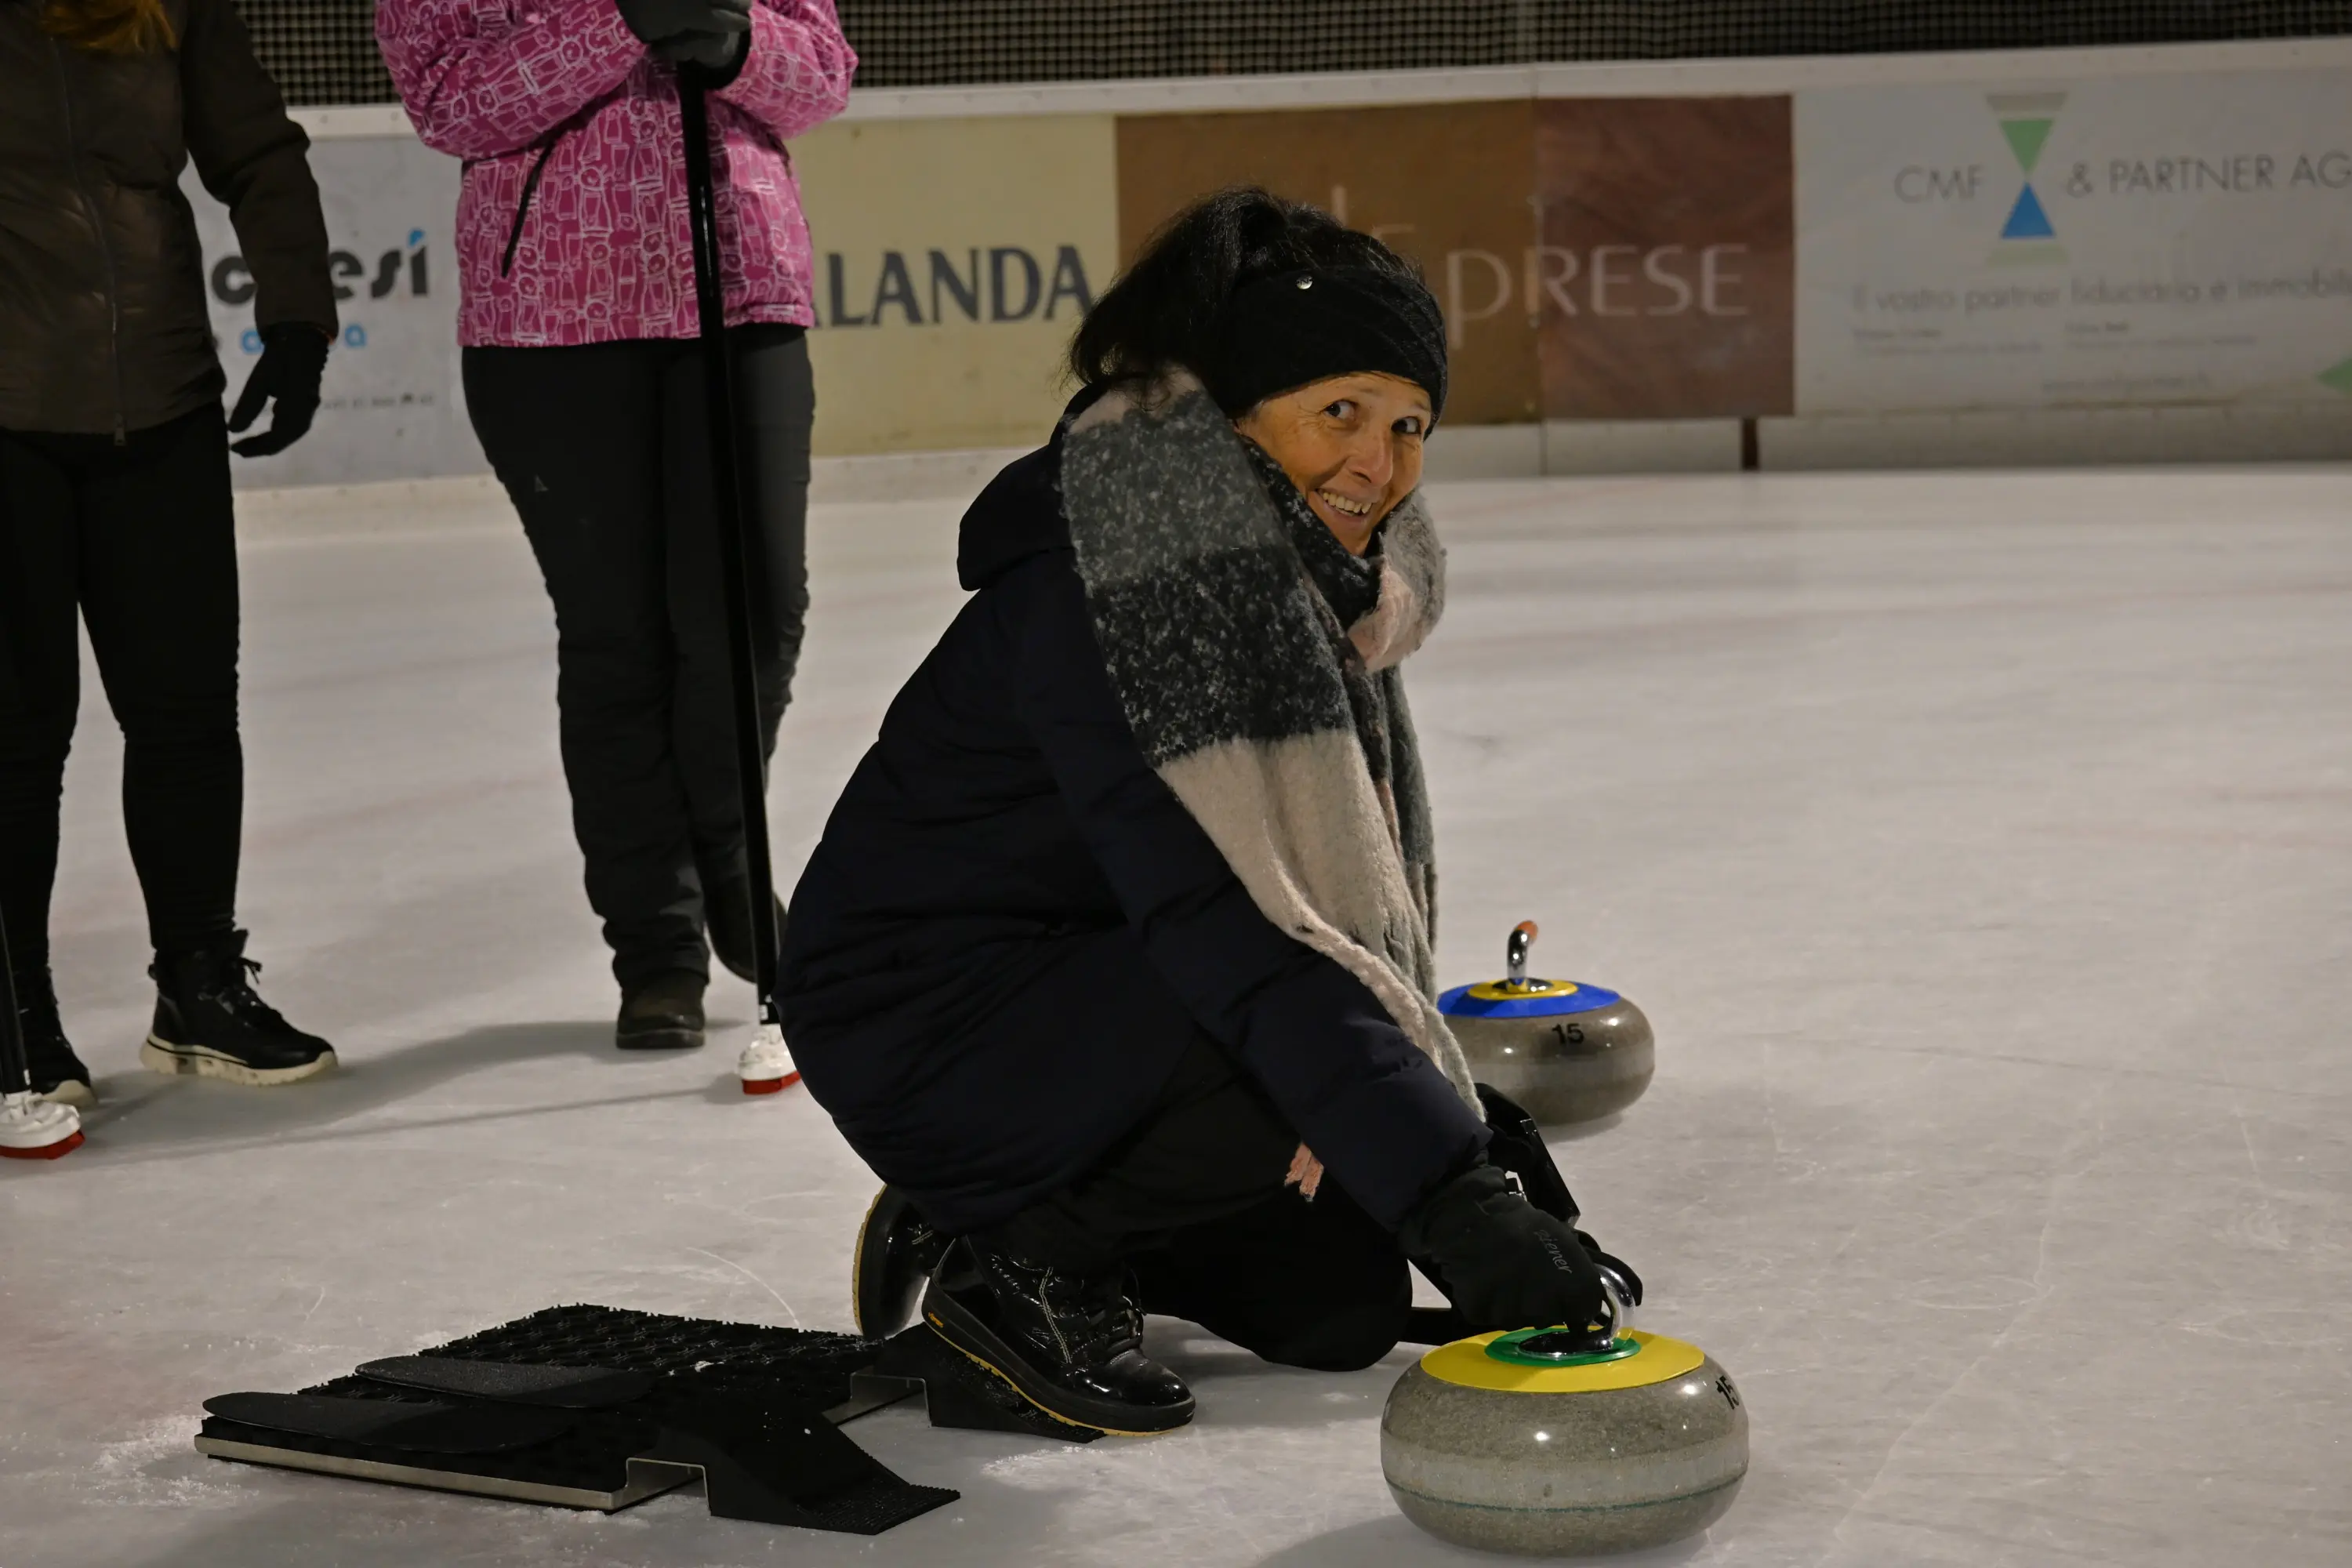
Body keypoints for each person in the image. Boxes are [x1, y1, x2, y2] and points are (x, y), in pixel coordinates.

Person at [781, 190, 1641, 1435]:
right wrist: (1458, 1198)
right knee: (1286, 1078)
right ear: (1236, 413)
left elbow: (1308, 937)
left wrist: (1485, 1165)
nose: (1377, 464)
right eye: (1337, 412)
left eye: (1409, 425)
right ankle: (1026, 1257)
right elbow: (1241, 934)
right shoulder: (1126, 581)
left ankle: (1010, 1195)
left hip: (1104, 986)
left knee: (1337, 1311)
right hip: (930, 1006)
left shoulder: (1301, 585)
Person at [376, 0, 855, 1050]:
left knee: (756, 609)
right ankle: (658, 947)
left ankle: (727, 856)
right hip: (550, 318)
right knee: (618, 639)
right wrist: (622, 22)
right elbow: (451, 103)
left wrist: (734, 41)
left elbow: (823, 74)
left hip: (741, 291)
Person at [1, 0, 343, 1105]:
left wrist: (296, 318)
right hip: (7, 419)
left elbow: (258, 151)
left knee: (189, 715)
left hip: (161, 396)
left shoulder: (163, 4)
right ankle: (16, 1014)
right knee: (15, 738)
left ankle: (197, 982)